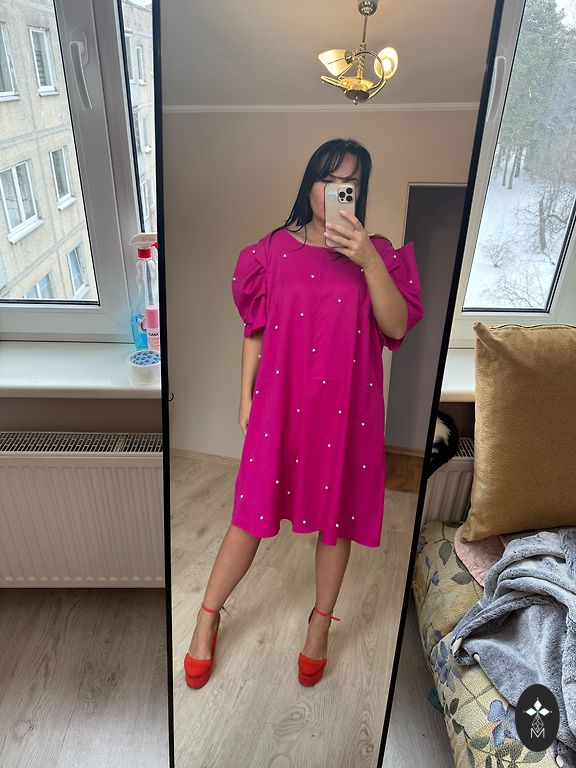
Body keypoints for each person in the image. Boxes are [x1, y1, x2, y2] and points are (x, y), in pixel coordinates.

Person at [184, 137, 424, 689]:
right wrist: (244, 397)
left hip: (347, 412)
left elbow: (395, 325)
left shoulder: (378, 253)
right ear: (308, 184)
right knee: (249, 515)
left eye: (349, 182)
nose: (335, 191)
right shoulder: (272, 250)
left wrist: (367, 259)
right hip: (281, 404)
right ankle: (207, 615)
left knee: (335, 523)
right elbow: (255, 328)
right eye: (325, 178)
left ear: (360, 191)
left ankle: (320, 624)